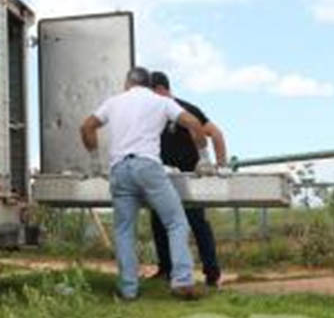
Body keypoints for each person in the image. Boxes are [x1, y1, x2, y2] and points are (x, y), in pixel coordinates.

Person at [80, 67, 208, 300]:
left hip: (119, 169)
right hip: (148, 166)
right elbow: (193, 122)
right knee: (176, 222)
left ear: (127, 83)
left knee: (124, 230)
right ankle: (182, 281)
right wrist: (204, 158)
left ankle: (128, 289)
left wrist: (95, 162)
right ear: (149, 84)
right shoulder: (161, 102)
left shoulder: (114, 102)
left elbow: (87, 126)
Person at [148, 71, 227, 287]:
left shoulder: (185, 109)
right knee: (158, 221)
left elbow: (216, 134)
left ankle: (212, 273)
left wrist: (219, 166)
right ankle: (165, 269)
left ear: (160, 89)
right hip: (163, 177)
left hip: (190, 177)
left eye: (150, 92)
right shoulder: (152, 114)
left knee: (197, 222)